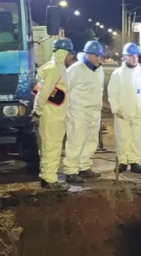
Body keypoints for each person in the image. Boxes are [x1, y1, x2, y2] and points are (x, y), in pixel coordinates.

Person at [107, 43, 141, 173]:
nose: (134, 58)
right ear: (124, 57)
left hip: (140, 113)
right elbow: (113, 92)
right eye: (131, 56)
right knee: (122, 137)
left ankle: (135, 161)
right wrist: (116, 109)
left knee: (138, 138)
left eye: (136, 56)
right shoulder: (117, 74)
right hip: (122, 113)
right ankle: (122, 161)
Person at [33, 37, 73, 190]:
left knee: (52, 146)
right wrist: (38, 110)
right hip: (52, 115)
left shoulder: (57, 68)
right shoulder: (54, 69)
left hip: (56, 115)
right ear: (63, 52)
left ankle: (49, 177)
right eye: (69, 53)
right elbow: (43, 92)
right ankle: (49, 179)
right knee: (51, 146)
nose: (71, 57)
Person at [63, 40, 105, 183]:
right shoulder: (76, 70)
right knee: (76, 141)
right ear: (88, 55)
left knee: (90, 141)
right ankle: (71, 170)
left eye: (100, 56)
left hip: (94, 112)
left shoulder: (99, 70)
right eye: (96, 56)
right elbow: (65, 90)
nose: (99, 59)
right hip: (78, 112)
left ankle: (84, 166)